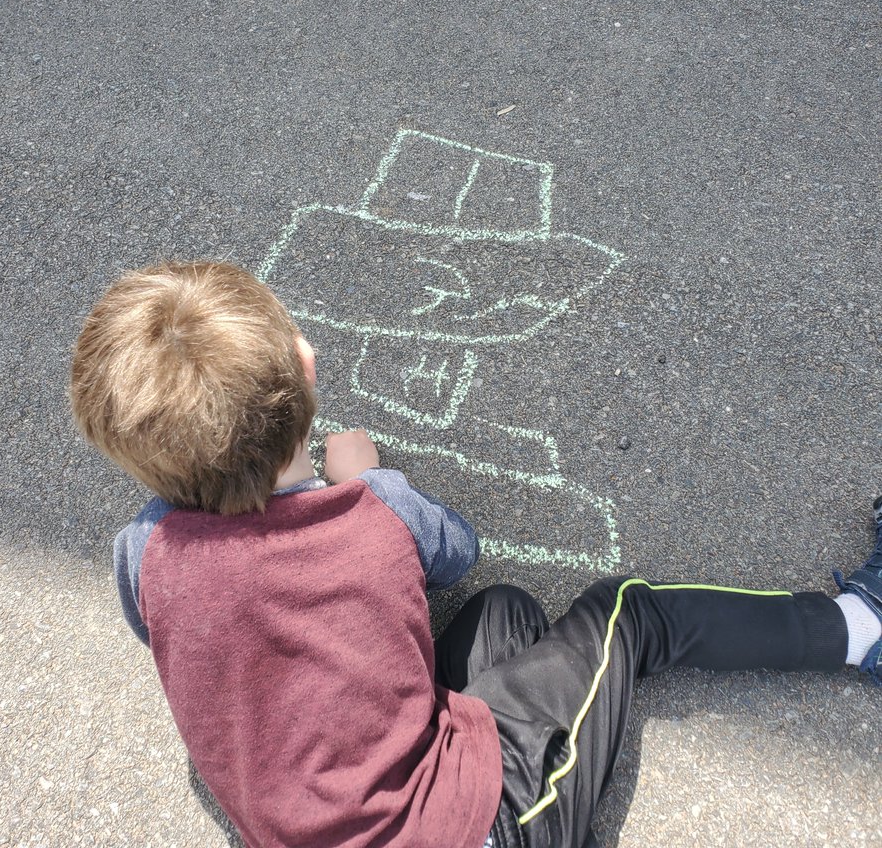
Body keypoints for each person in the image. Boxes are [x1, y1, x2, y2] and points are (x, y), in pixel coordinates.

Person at [70, 260, 881, 848]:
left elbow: (201, 626)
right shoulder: (374, 515)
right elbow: (455, 549)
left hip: (307, 823)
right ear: (307, 366)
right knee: (628, 613)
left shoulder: (144, 553)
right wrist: (370, 476)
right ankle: (860, 626)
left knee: (507, 615)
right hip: (467, 833)